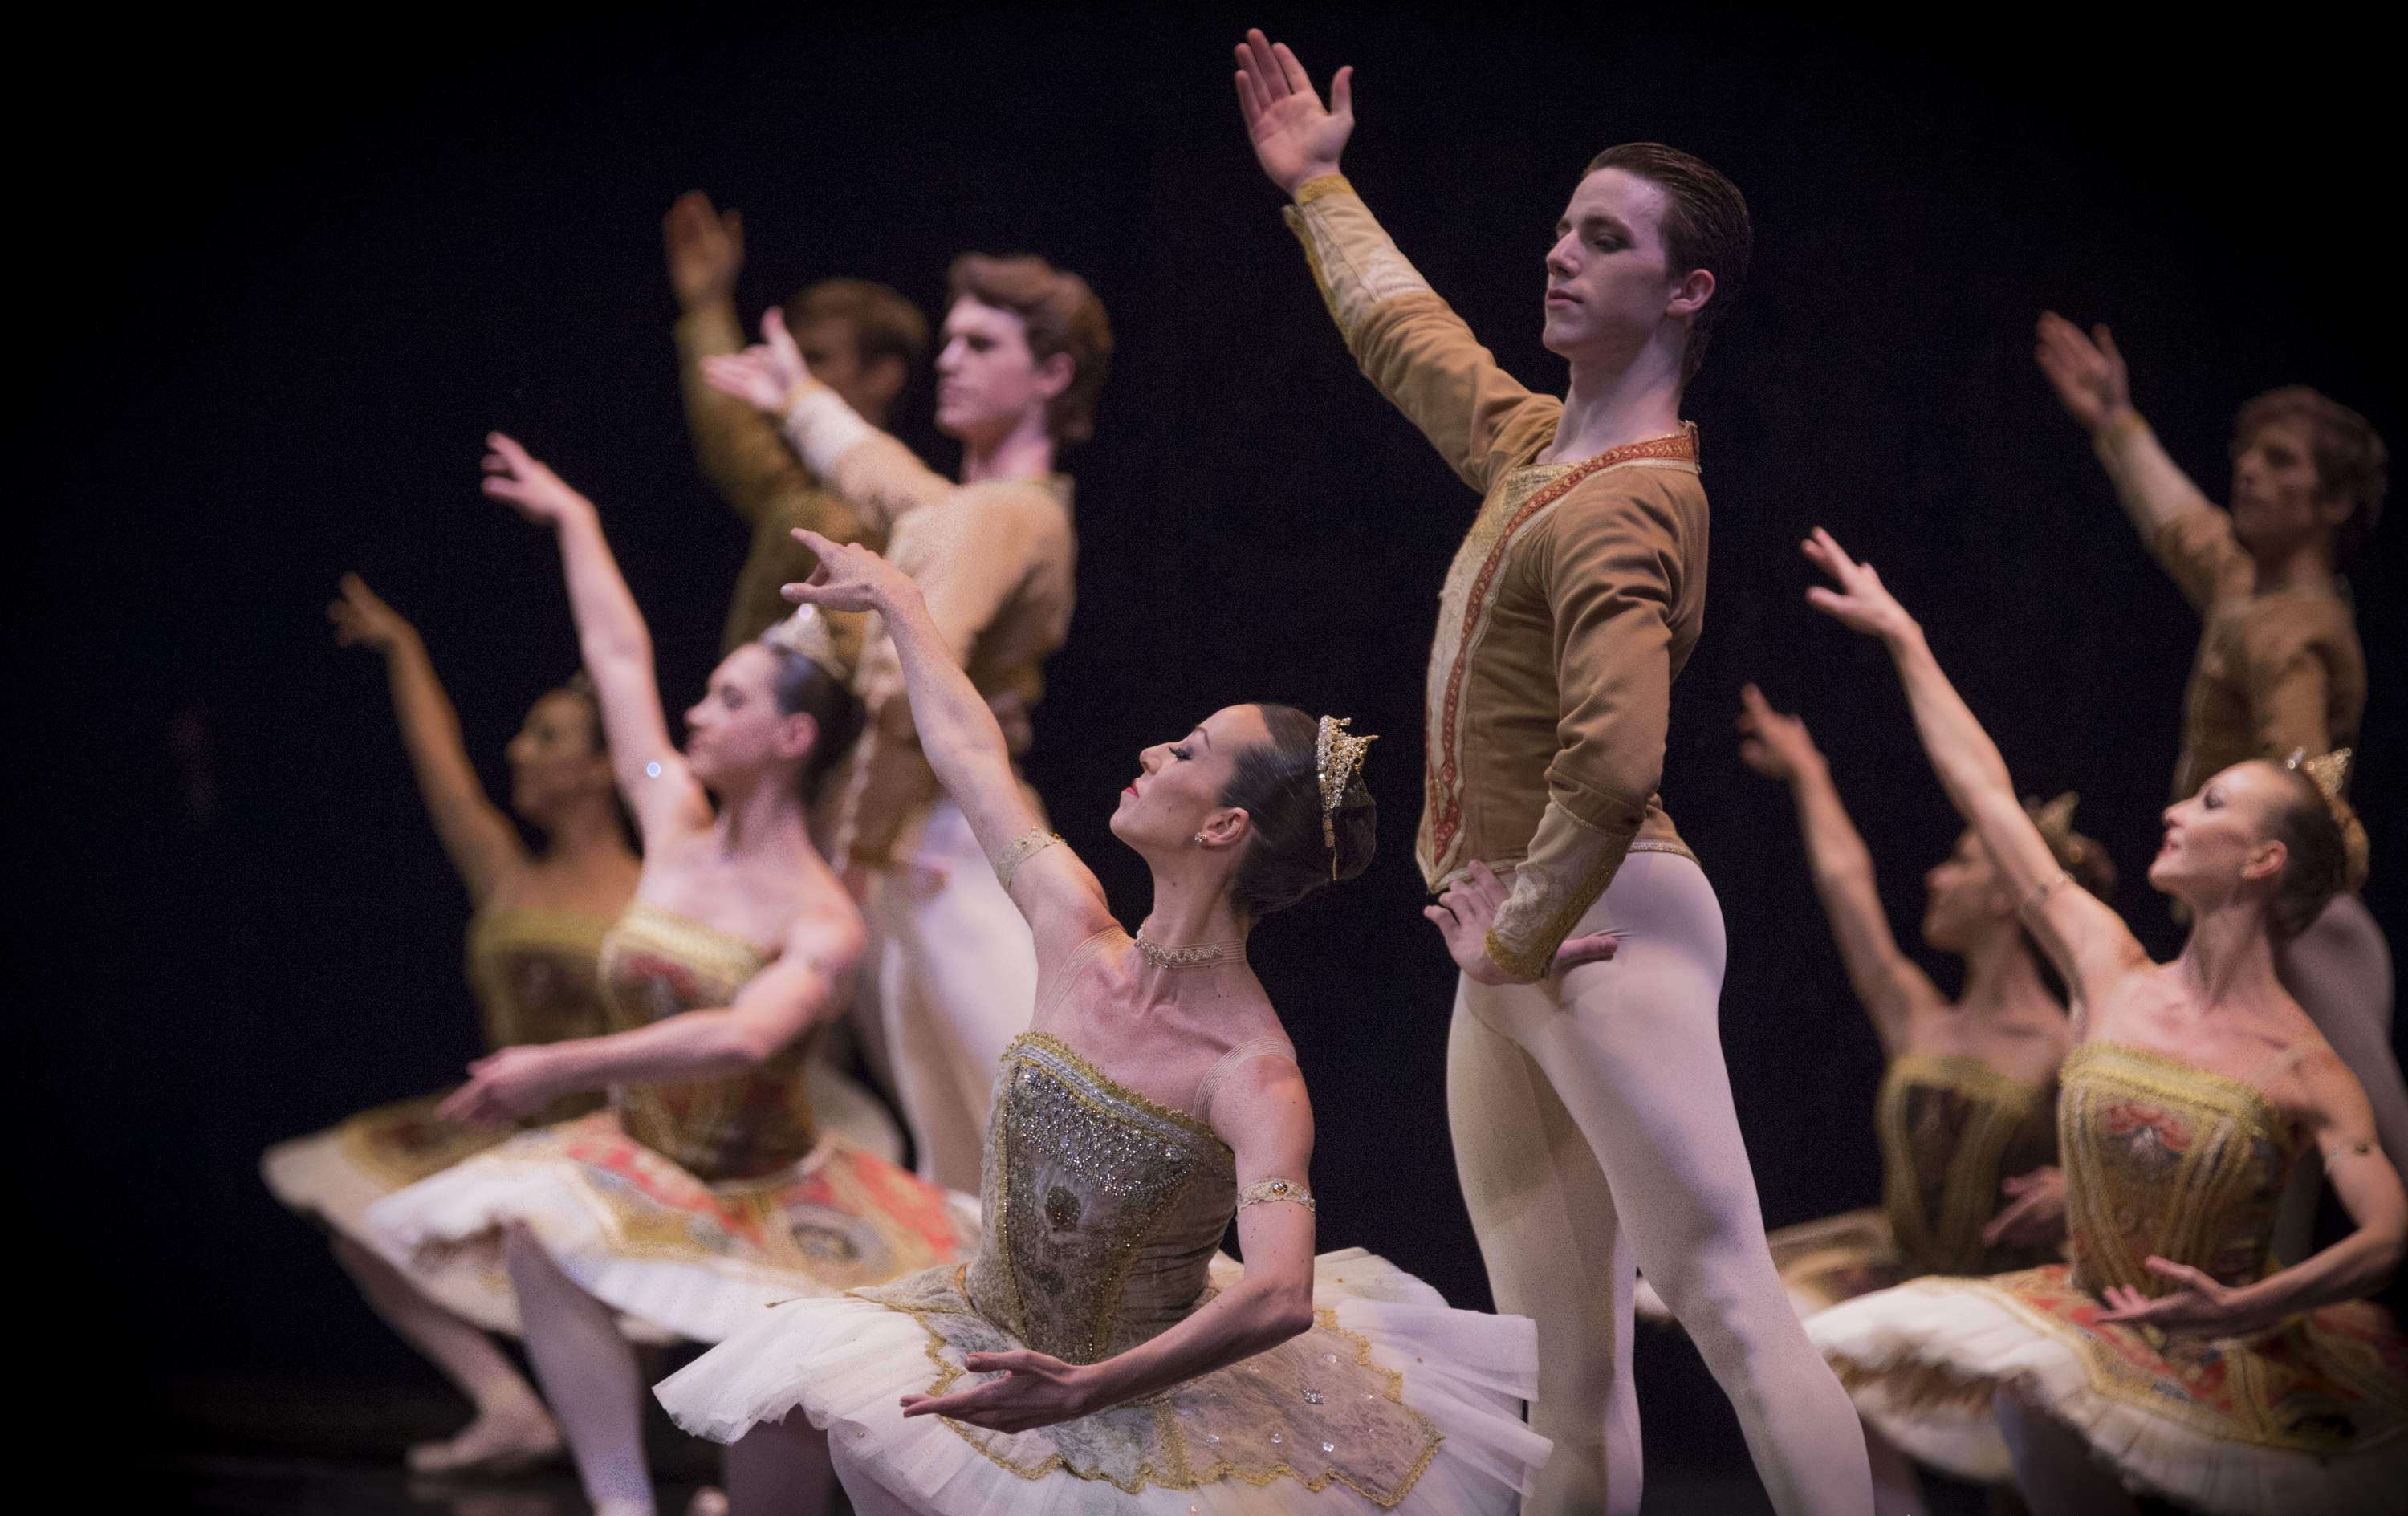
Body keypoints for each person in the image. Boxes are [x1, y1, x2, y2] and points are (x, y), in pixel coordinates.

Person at [1232, 28, 1870, 1514]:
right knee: (1557, 1365)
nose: (1560, 252)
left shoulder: (1632, 506)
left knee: (1724, 1300)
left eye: (1606, 237)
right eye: (1564, 224)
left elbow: (1615, 755)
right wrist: (1322, 188)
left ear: (1688, 289)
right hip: (1514, 932)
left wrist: (1522, 930)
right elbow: (1417, 345)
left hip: (1599, 923)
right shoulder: (1541, 451)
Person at [653, 527, 1552, 1515]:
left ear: (1222, 826)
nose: (1151, 751)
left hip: (1120, 1404)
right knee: (784, 1399)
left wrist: (1086, 1386)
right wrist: (903, 604)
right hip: (978, 1321)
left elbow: (1283, 1291)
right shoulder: (1072, 923)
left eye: (1188, 751)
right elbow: (969, 753)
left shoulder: (1251, 1072)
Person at [372, 438, 973, 1516]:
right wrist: (575, 519)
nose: (694, 714)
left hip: (769, 1191)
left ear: (789, 735)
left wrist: (558, 1060)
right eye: (703, 694)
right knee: (537, 1231)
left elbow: (745, 1038)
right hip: (644, 1150)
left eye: (726, 699)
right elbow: (616, 656)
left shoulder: (819, 917)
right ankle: (622, 1503)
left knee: (770, 1451)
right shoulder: (670, 818)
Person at [1797, 524, 2407, 1515]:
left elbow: (2386, 1233)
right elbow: (1985, 792)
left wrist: (2255, 1303)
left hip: (2228, 1356)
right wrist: (1905, 637)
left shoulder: (2303, 1065)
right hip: (2081, 1327)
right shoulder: (2108, 963)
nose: (2175, 810)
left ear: (2261, 864)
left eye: (2211, 803)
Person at [701, 253, 1108, 1195]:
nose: (948, 360)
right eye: (950, 339)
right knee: (968, 1158)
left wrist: (848, 861)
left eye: (980, 343)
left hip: (941, 851)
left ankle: (1166, 1328)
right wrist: (800, 396)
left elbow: (901, 698)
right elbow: (893, 484)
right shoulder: (984, 510)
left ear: (1050, 376)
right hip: (923, 850)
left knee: (1041, 1145)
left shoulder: (999, 516)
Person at [1648, 685, 2111, 1509]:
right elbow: (1847, 883)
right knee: (1815, 1363)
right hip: (1908, 1271)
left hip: (2014, 1304)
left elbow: (2144, 1145)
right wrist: (1809, 773)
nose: (1935, 875)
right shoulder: (1918, 1014)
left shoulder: (2072, 1043)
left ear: (2010, 890)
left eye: (1962, 860)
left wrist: (2082, 1189)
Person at [2034, 315, 2404, 1258]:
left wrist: (2260, 841)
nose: (2248, 471)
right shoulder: (2251, 581)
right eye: (2247, 454)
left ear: (2330, 504)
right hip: (2268, 889)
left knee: (2361, 1123)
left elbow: (2308, 776)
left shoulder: (2300, 631)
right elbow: (2183, 525)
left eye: (2279, 463)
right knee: (2263, 1125)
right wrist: (2117, 422)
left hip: (2306, 915)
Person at [263, 574, 639, 1477]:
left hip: (610, 1141)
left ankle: (627, 1447)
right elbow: (439, 762)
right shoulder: (505, 870)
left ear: (600, 765)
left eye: (545, 737)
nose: (517, 751)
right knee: (361, 1224)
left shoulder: (657, 889)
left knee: (635, 1287)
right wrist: (403, 648)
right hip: (503, 1126)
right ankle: (507, 1403)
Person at [663, 189, 929, 655]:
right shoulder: (805, 492)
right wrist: (708, 305)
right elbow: (734, 437)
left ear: (884, 376)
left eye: (818, 360)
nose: (795, 374)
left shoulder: (898, 515)